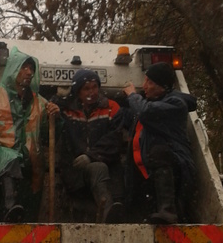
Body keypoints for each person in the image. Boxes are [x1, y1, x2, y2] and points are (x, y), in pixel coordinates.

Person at [0, 47, 59, 222]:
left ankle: (21, 216)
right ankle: (9, 205)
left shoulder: (42, 103)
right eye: (24, 67)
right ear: (14, 68)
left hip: (30, 165)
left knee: (30, 211)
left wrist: (56, 117)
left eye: (32, 68)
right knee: (9, 158)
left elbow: (50, 135)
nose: (29, 72)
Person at [122, 61, 197, 224]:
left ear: (162, 86)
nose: (145, 86)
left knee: (159, 152)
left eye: (149, 82)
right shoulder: (153, 103)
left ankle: (169, 210)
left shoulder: (176, 104)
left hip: (176, 167)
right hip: (151, 173)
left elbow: (145, 112)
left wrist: (132, 95)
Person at [56, 68, 127, 223]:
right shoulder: (68, 111)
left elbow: (114, 139)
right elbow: (52, 114)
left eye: (95, 87)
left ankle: (109, 212)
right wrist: (61, 98)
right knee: (97, 168)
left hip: (108, 170)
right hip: (75, 173)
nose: (92, 92)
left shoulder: (111, 108)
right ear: (78, 92)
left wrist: (91, 156)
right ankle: (109, 213)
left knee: (98, 167)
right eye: (86, 88)